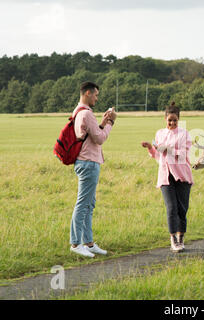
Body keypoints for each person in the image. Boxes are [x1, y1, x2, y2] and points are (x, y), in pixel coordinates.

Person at [70, 81, 117, 257]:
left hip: (85, 161)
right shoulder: (87, 114)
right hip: (88, 162)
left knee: (89, 204)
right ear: (88, 93)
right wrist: (111, 123)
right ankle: (75, 243)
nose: (97, 98)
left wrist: (103, 122)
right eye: (96, 95)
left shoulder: (78, 111)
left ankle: (88, 243)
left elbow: (92, 134)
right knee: (83, 204)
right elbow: (99, 139)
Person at [141, 102, 193, 252]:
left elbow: (182, 155)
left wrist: (164, 148)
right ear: (165, 119)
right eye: (169, 120)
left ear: (179, 120)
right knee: (171, 208)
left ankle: (181, 235)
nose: (172, 123)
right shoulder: (160, 134)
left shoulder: (184, 134)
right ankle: (173, 239)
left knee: (182, 209)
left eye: (175, 120)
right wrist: (150, 148)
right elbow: (158, 156)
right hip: (165, 176)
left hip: (182, 175)